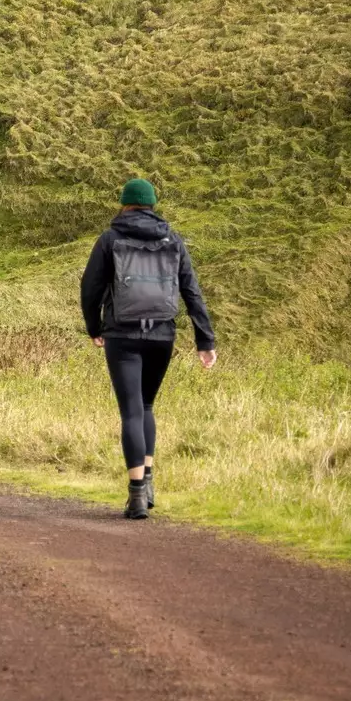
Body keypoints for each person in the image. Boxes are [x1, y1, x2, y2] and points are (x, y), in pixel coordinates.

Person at [79, 178, 217, 520]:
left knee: (131, 412)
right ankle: (149, 480)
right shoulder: (173, 239)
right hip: (162, 335)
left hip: (121, 335)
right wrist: (205, 341)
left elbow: (90, 287)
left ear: (125, 204)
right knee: (147, 405)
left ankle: (137, 494)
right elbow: (191, 290)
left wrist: (95, 328)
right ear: (153, 204)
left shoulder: (110, 239)